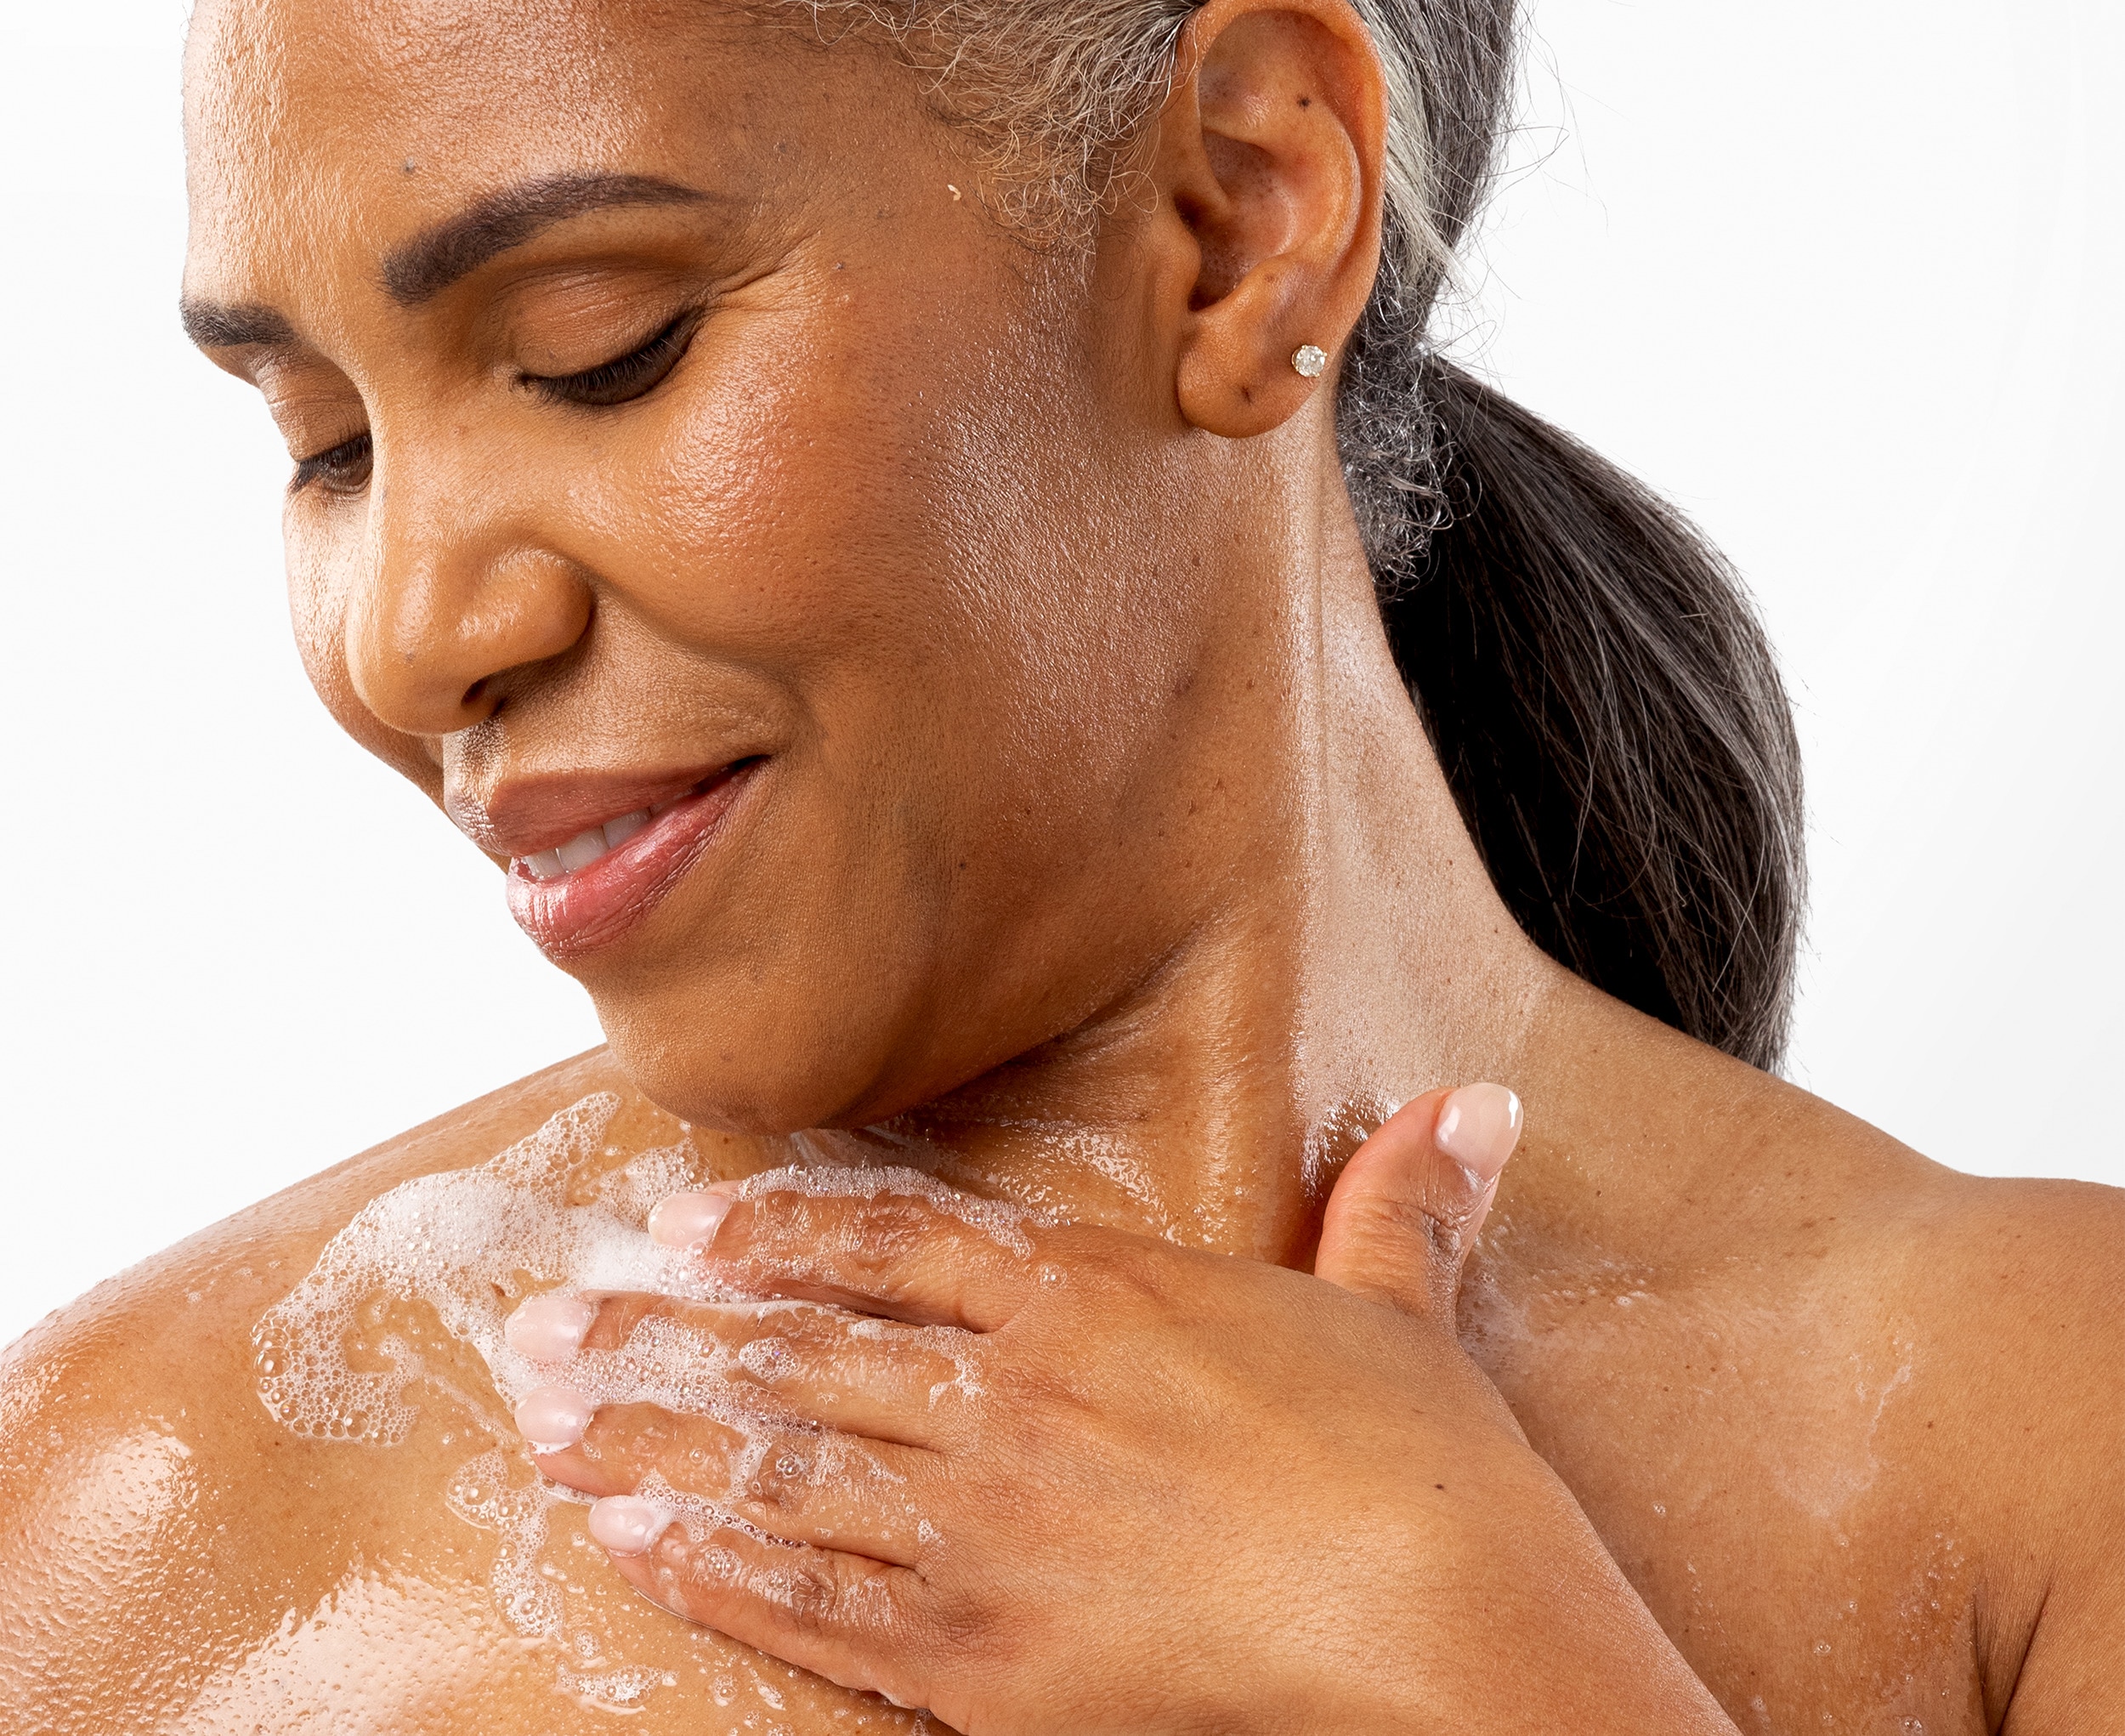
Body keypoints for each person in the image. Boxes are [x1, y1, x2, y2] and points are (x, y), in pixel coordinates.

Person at [2, 0, 2116, 1730]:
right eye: (326, 447)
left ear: (1237, 218)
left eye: (596, 346)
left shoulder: (2040, 1457)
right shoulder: (133, 1535)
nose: (408, 635)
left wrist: (1480, 1673)